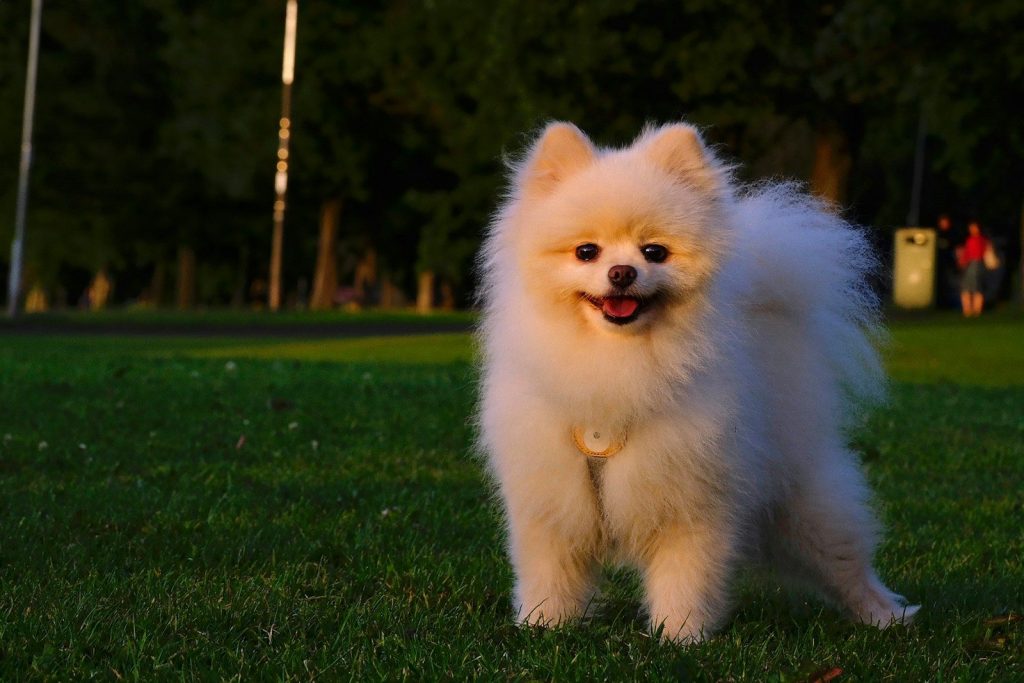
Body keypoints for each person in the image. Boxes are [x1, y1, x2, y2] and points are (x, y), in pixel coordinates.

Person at [958, 220, 990, 317]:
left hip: (976, 264)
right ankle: (967, 310)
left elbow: (977, 253)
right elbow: (967, 253)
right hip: (969, 265)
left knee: (976, 287)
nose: (972, 229)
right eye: (971, 228)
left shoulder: (981, 240)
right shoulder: (970, 239)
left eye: (974, 227)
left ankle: (976, 310)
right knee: (967, 288)